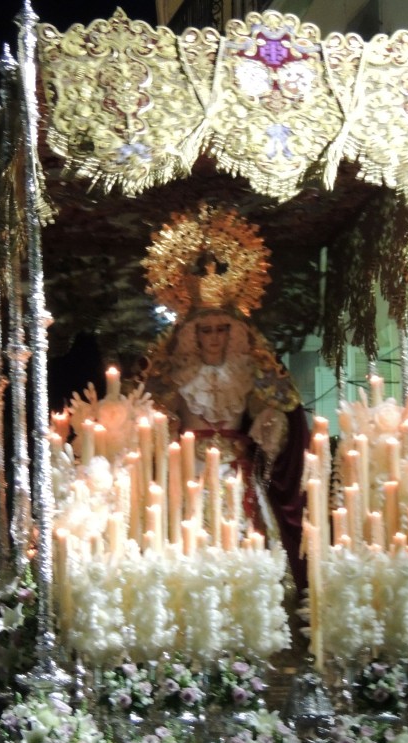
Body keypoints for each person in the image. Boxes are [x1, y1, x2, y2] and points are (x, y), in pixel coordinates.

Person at [138, 205, 309, 592]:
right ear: (193, 335)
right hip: (189, 471)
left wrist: (271, 421)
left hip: (237, 471)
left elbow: (273, 408)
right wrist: (162, 426)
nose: (213, 337)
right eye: (206, 331)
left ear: (231, 332)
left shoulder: (245, 372)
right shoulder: (176, 374)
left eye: (220, 330)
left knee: (245, 539)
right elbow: (155, 413)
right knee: (188, 541)